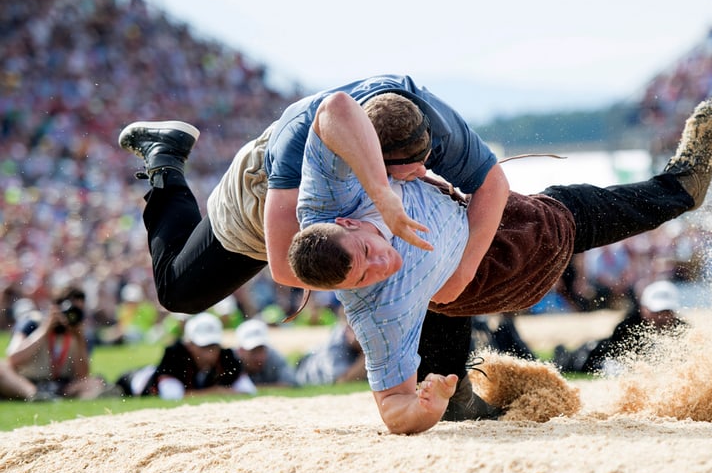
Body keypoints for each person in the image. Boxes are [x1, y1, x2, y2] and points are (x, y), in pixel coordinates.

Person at [287, 101, 712, 433]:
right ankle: (680, 189)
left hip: (455, 241)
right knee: (568, 211)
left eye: (367, 253)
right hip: (497, 266)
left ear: (343, 222)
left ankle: (459, 399)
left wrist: (382, 191)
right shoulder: (374, 308)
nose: (381, 265)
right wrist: (426, 405)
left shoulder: (326, 200)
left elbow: (337, 108)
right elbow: (393, 410)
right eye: (364, 278)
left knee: (434, 313)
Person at [117, 74, 508, 316]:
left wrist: (461, 272)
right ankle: (165, 158)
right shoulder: (297, 142)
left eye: (425, 160)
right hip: (261, 199)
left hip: (358, 206)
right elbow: (286, 267)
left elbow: (493, 184)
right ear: (373, 159)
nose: (422, 172)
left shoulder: (426, 122)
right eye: (403, 170)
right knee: (179, 293)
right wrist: (374, 273)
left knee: (424, 266)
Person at [552, 280, 687, 374]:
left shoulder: (684, 331)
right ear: (644, 308)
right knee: (567, 362)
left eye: (666, 312)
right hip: (590, 355)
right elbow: (614, 360)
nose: (661, 317)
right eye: (657, 312)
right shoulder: (628, 327)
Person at [117, 312, 256, 399]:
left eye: (213, 346)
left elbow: (248, 390)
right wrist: (217, 391)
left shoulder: (226, 357)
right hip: (135, 381)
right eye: (204, 347)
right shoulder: (175, 356)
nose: (210, 353)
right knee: (113, 392)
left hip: (157, 375)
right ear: (189, 344)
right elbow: (172, 396)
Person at [4, 286, 106, 400]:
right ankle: (35, 395)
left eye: (78, 312)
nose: (72, 316)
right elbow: (13, 358)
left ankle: (50, 398)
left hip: (62, 385)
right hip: (28, 381)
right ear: (56, 308)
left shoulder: (82, 334)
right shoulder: (33, 322)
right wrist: (45, 329)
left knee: (95, 382)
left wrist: (78, 338)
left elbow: (82, 375)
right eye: (70, 311)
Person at [294, 318, 367, 386]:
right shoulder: (338, 341)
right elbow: (341, 381)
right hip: (304, 371)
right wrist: (368, 354)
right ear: (347, 329)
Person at [233, 318, 298, 387]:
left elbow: (291, 384)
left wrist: (250, 389)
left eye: (261, 350)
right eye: (253, 351)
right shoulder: (231, 361)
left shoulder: (274, 357)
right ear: (240, 350)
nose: (259, 357)